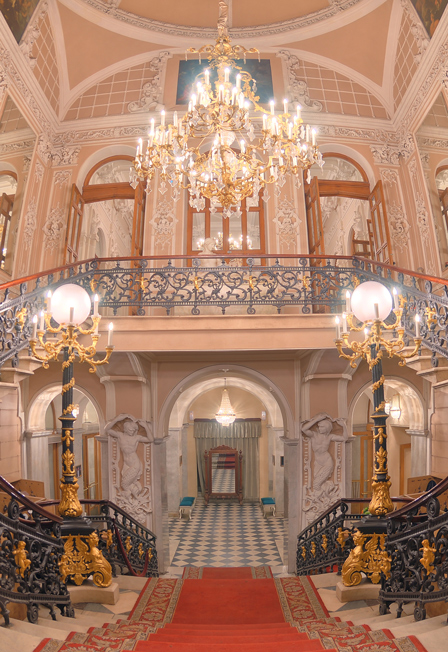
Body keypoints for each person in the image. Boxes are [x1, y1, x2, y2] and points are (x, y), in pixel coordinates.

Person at [107, 418, 152, 499]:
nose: (132, 432)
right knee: (125, 483)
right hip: (126, 464)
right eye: (130, 430)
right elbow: (107, 430)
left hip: (135, 464)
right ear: (126, 429)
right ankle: (135, 492)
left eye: (134, 430)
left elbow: (150, 439)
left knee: (124, 484)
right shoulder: (120, 435)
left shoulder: (136, 437)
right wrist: (117, 419)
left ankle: (135, 494)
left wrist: (145, 426)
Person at [301, 413, 348, 490]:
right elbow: (304, 429)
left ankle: (327, 492)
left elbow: (344, 438)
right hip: (318, 462)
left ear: (327, 428)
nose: (319, 428)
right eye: (319, 426)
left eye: (322, 427)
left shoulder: (329, 437)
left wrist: (344, 425)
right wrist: (316, 419)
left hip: (327, 461)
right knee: (316, 484)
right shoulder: (314, 435)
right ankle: (328, 488)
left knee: (316, 484)